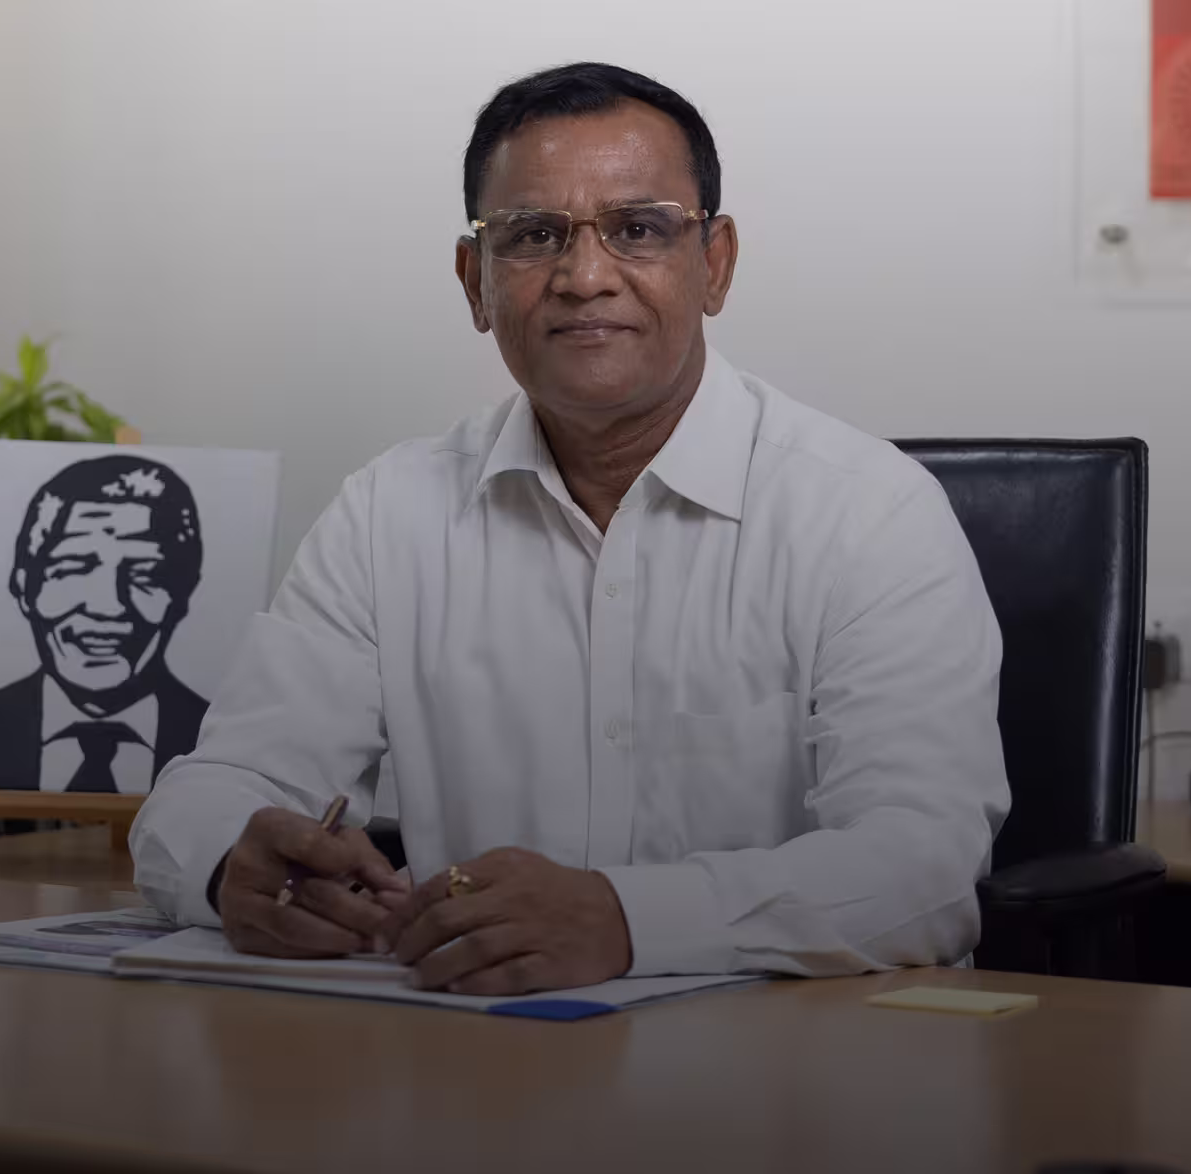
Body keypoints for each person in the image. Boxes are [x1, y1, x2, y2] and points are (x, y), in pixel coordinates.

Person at [130, 62, 1010, 995]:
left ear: (713, 265)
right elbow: (213, 789)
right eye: (534, 236)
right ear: (476, 282)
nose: (585, 277)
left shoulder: (868, 511)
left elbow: (923, 868)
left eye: (638, 230)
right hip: (474, 1070)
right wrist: (236, 867)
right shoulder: (388, 513)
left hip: (789, 1080)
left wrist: (630, 919)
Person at [0, 453, 210, 794]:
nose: (108, 606)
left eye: (144, 575)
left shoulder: (224, 748)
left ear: (183, 592)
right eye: (74, 568)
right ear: (23, 586)